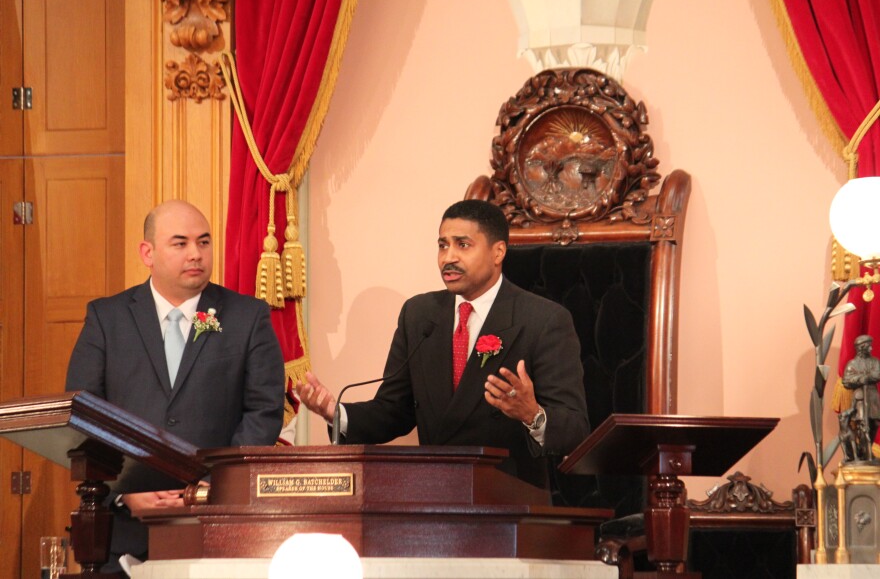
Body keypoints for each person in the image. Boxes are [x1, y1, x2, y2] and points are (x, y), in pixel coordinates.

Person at [297, 200, 589, 488]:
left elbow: (575, 430)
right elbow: (393, 411)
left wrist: (532, 415)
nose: (448, 257)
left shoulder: (543, 320)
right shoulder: (420, 314)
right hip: (434, 494)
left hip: (510, 501)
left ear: (498, 251)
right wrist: (337, 413)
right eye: (442, 245)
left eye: (463, 245)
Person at [65, 200, 285, 572]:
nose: (195, 254)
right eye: (180, 243)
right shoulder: (107, 318)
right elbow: (83, 415)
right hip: (122, 532)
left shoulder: (248, 318)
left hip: (214, 530)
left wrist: (206, 488)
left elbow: (262, 413)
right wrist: (125, 489)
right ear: (147, 252)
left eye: (204, 242)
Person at [842, 334, 880, 460]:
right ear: (861, 347)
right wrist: (859, 378)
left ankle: (866, 449)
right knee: (863, 423)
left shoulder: (875, 361)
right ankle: (864, 451)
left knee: (874, 422)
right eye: (868, 346)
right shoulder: (852, 364)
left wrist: (867, 377)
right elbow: (846, 381)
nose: (871, 348)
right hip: (860, 397)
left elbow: (877, 374)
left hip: (873, 396)